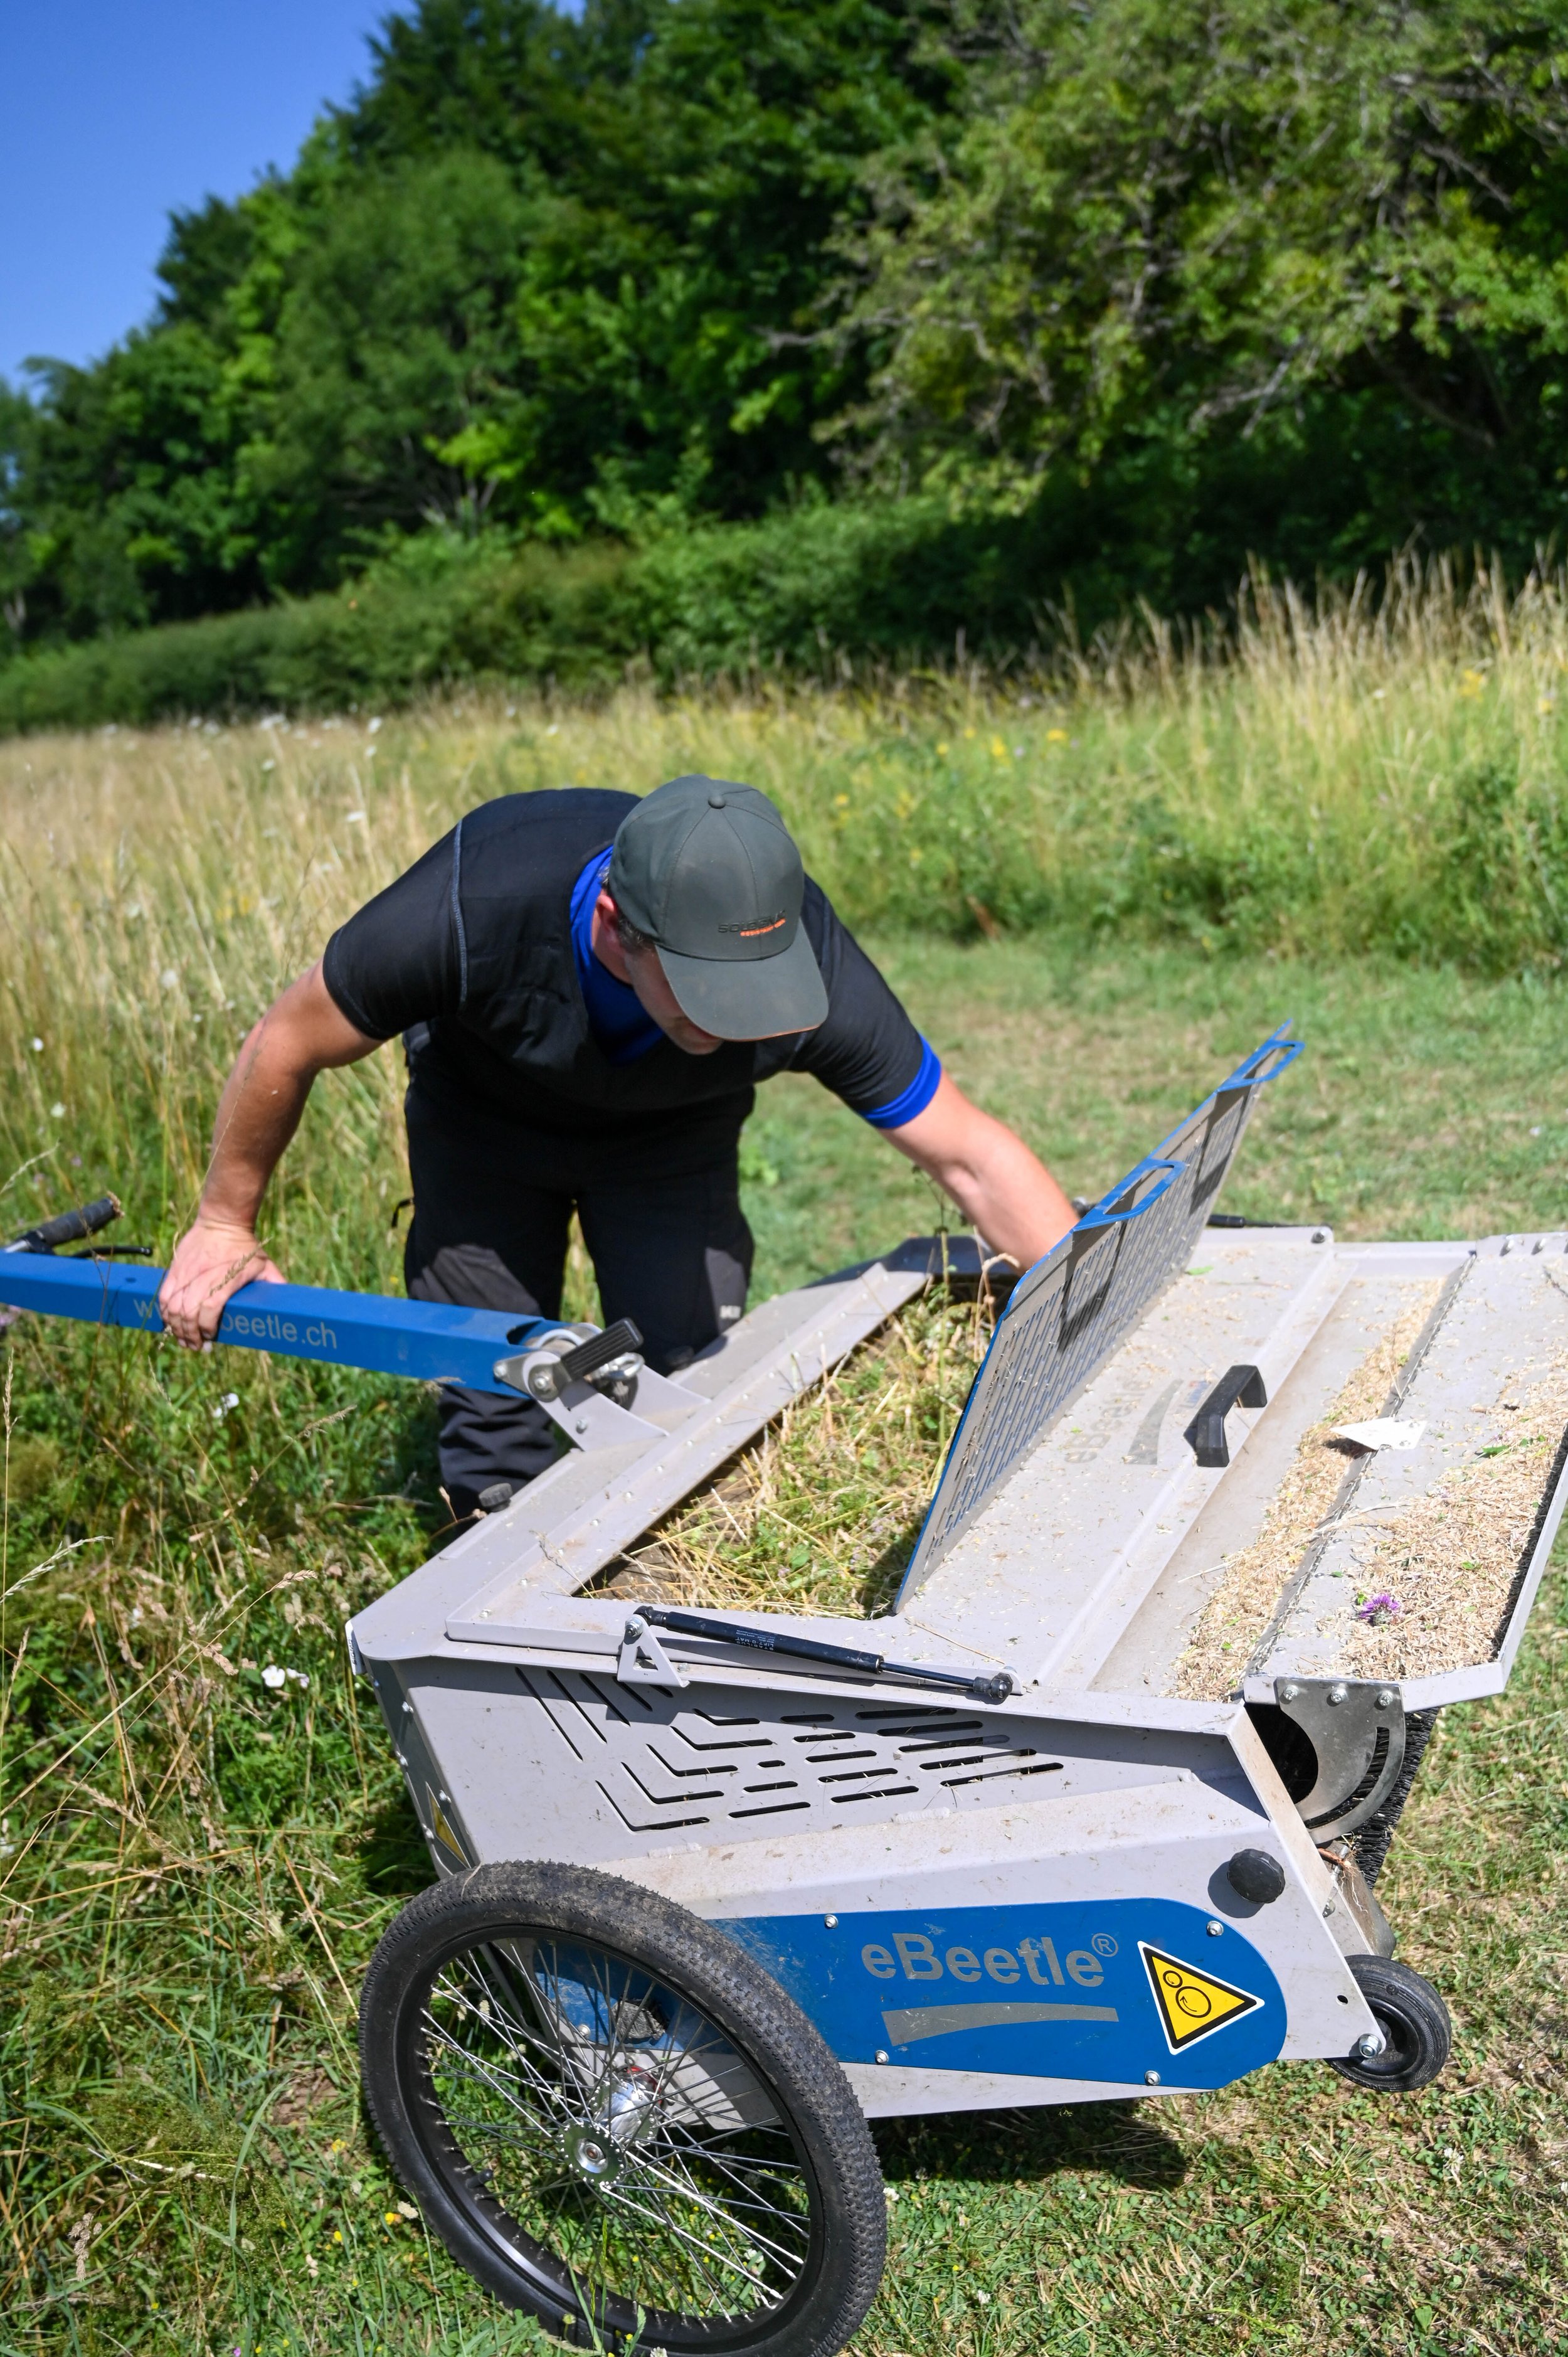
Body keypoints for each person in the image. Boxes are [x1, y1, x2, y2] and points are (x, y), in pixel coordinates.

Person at [159, 775, 1076, 1516]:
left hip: (673, 1138)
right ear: (615, 927)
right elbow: (289, 1039)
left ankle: (668, 1592)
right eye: (707, 997)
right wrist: (222, 1222)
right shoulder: (474, 904)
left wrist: (1093, 1307)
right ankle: (494, 1612)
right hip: (487, 1126)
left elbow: (968, 1154)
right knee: (494, 1387)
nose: (733, 1024)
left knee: (687, 1368)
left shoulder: (806, 958)